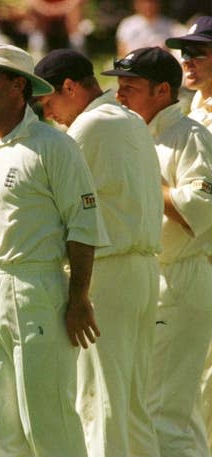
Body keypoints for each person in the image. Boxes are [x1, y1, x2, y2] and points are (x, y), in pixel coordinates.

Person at [0, 42, 109, 457]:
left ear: (19, 85)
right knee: (2, 429)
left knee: (48, 424)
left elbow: (83, 224)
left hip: (38, 288)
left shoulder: (53, 145)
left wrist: (79, 298)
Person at [34, 49, 164, 457]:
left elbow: (53, 202)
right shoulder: (132, 120)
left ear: (70, 87)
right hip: (142, 272)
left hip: (107, 274)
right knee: (132, 405)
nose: (49, 114)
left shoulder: (88, 127)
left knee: (99, 401)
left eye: (49, 102)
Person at [102, 45, 212, 457]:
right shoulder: (133, 134)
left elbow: (200, 208)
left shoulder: (190, 135)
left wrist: (141, 180)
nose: (119, 95)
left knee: (167, 412)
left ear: (162, 90)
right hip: (147, 279)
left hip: (182, 278)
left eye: (130, 87)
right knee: (149, 409)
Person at [166, 16, 212, 455]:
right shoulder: (190, 114)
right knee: (192, 395)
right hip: (194, 264)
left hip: (202, 262)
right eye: (185, 52)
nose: (188, 60)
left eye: (199, 51)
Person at [115, 0, 186, 56]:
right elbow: (122, 51)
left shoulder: (171, 26)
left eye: (152, 2)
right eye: (144, 2)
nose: (148, 6)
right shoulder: (127, 24)